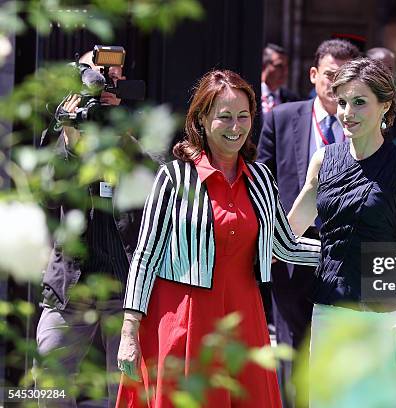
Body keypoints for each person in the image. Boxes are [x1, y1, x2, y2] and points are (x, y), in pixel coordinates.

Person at [115, 69, 321, 408]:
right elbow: (145, 255)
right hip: (185, 317)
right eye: (224, 117)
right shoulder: (174, 176)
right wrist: (129, 332)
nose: (236, 127)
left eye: (243, 116)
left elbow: (284, 245)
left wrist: (341, 253)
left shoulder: (260, 177)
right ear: (201, 120)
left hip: (245, 317)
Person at [287, 57, 396, 407]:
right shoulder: (323, 160)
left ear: (386, 106)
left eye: (359, 102)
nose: (347, 112)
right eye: (342, 102)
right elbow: (288, 229)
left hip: (386, 318)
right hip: (330, 311)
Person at [257, 38, 360, 407]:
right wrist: (269, 240)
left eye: (346, 77)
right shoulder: (281, 118)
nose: (337, 84)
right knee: (291, 349)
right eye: (331, 75)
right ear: (314, 74)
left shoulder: (364, 125)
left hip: (344, 260)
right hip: (291, 253)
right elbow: (263, 182)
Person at [35, 50, 138, 408]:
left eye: (113, 73)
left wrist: (119, 133)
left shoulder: (136, 124)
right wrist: (70, 136)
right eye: (96, 73)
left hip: (124, 285)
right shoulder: (64, 127)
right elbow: (48, 195)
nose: (106, 80)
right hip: (71, 283)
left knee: (125, 390)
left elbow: (155, 185)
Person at [261, 43, 300, 114]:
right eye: (279, 66)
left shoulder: (293, 100)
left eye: (286, 66)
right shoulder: (250, 95)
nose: (285, 72)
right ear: (264, 66)